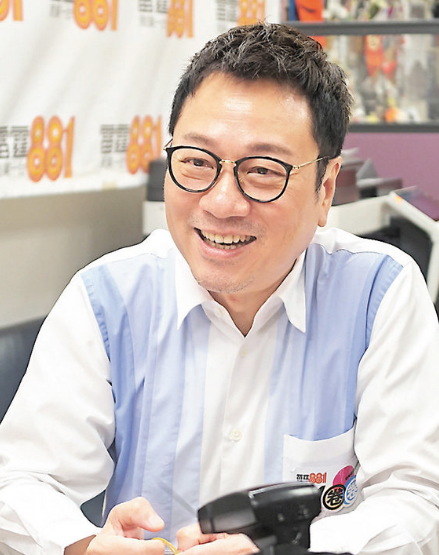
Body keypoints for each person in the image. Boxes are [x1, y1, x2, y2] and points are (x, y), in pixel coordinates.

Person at [0, 22, 439, 555]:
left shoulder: (380, 295)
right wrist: (84, 545)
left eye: (263, 171)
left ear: (325, 189)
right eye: (195, 162)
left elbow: (416, 500)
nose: (222, 202)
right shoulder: (107, 299)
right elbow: (21, 480)